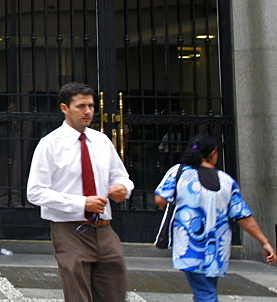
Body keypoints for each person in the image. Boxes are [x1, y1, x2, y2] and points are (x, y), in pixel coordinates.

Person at [26, 82, 133, 302]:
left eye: (91, 106)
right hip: (69, 230)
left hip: (104, 229)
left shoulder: (102, 141)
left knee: (114, 289)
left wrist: (124, 188)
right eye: (81, 106)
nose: (88, 112)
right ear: (64, 108)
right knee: (78, 295)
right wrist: (81, 203)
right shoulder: (50, 145)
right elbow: (35, 192)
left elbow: (121, 176)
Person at [154, 134, 276, 301]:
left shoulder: (178, 172)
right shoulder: (226, 181)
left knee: (205, 292)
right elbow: (243, 216)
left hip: (189, 245)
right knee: (206, 289)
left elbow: (160, 199)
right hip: (218, 248)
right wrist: (265, 242)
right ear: (212, 154)